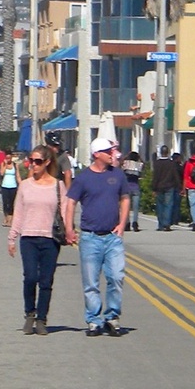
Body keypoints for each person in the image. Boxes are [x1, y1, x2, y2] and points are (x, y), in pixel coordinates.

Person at [63, 135, 129, 337]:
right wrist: (69, 228)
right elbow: (71, 203)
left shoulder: (117, 175)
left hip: (112, 236)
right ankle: (93, 319)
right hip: (90, 237)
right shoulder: (83, 178)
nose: (113, 155)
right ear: (97, 154)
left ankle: (112, 317)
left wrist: (122, 224)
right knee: (91, 282)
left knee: (116, 276)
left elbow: (125, 199)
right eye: (109, 152)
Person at [7, 145, 65, 335]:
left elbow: (64, 213)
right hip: (29, 238)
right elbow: (19, 213)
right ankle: (29, 313)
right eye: (31, 161)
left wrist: (70, 232)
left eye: (38, 161)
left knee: (46, 281)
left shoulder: (58, 186)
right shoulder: (25, 185)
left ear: (47, 162)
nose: (33, 165)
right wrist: (12, 237)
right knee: (30, 277)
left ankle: (42, 319)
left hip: (50, 240)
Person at [150, 145, 180, 231]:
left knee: (160, 206)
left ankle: (160, 224)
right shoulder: (171, 163)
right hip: (169, 186)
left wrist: (154, 188)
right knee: (168, 205)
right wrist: (179, 186)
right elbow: (175, 175)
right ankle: (166, 224)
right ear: (168, 152)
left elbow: (155, 176)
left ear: (161, 152)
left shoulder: (157, 163)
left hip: (159, 187)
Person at [120, 151, 143, 232]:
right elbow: (142, 169)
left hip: (127, 188)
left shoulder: (126, 164)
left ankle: (127, 223)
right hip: (136, 187)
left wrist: (126, 156)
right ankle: (135, 223)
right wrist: (140, 158)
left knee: (127, 207)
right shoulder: (139, 165)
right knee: (136, 208)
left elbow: (121, 167)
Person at [0, 152, 21, 224]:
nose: (8, 159)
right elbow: (2, 173)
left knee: (11, 204)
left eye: (9, 158)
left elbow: (17, 176)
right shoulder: (3, 164)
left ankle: (10, 220)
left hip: (13, 186)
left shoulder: (15, 165)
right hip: (5, 186)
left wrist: (21, 184)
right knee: (5, 203)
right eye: (7, 158)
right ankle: (5, 218)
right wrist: (5, 165)